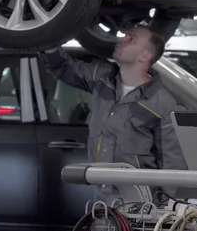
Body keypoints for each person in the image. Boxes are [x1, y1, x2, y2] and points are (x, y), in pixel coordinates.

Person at [38, 25, 187, 201]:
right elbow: (63, 67)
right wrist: (44, 33)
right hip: (102, 199)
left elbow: (173, 168)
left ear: (145, 56)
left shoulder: (162, 105)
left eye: (131, 39)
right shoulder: (103, 79)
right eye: (124, 35)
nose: (121, 40)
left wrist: (165, 213)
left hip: (140, 206)